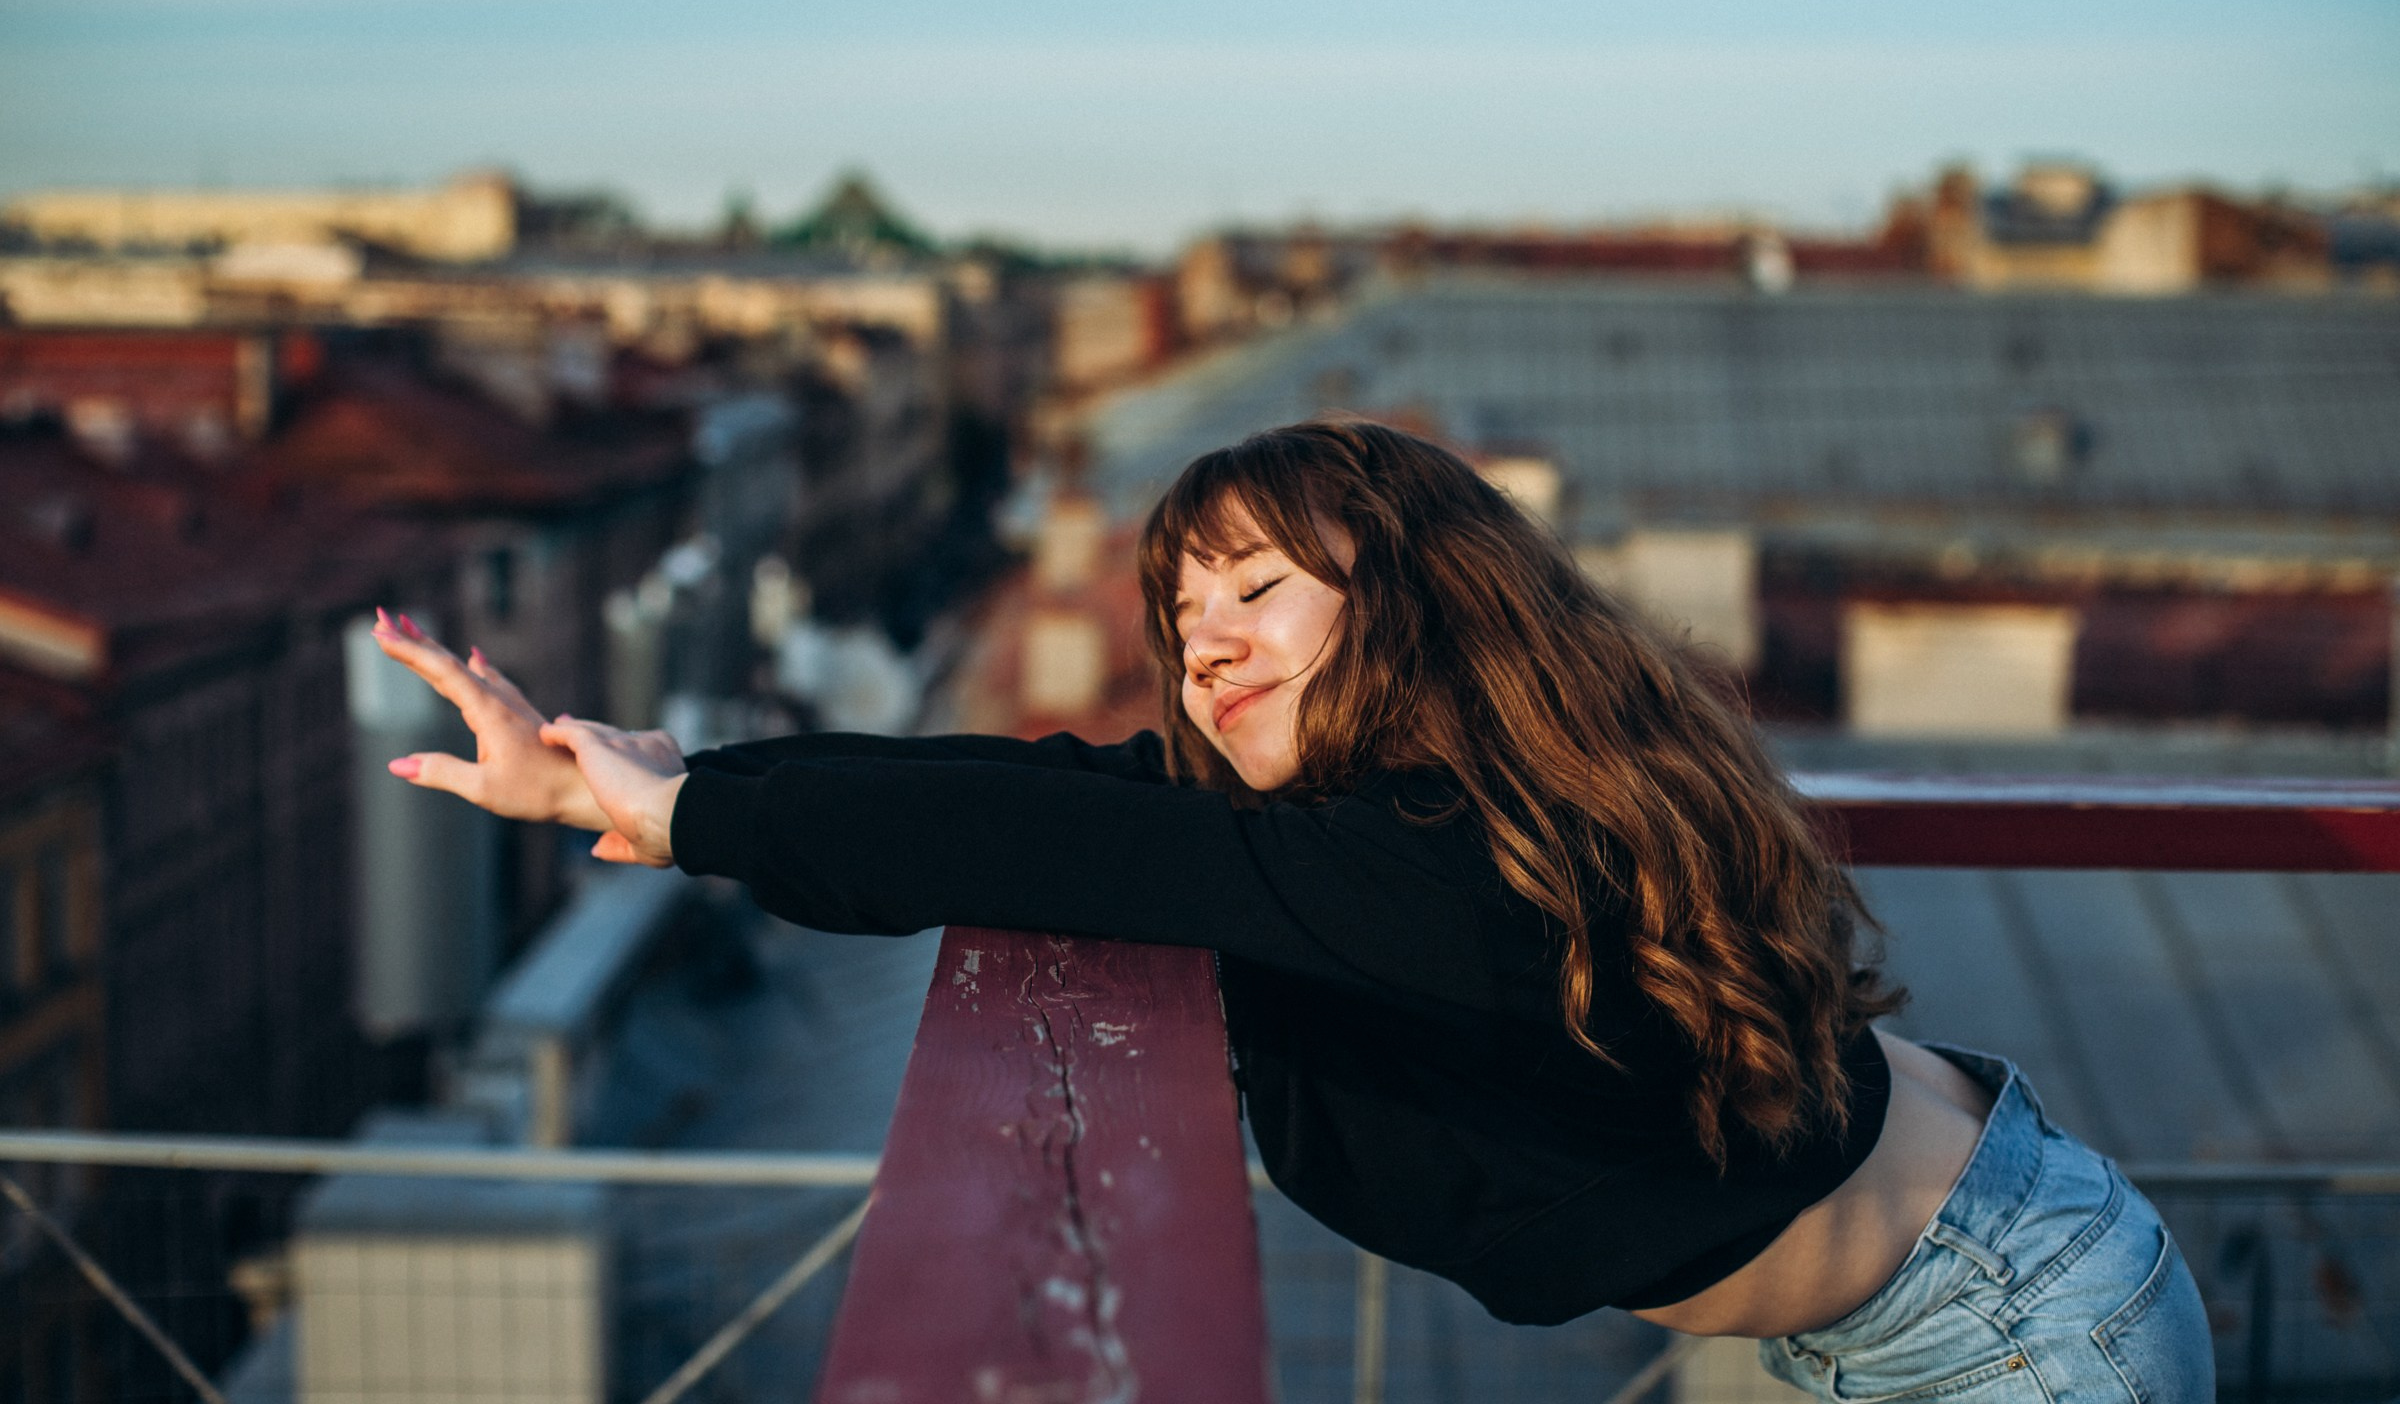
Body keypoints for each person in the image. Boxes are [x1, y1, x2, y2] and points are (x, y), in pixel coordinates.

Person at [373, 419, 2214, 1401]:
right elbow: (1050, 793)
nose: (1203, 638)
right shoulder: (1357, 822)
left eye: (1254, 583)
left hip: (2018, 1331)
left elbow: (1081, 855)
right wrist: (680, 787)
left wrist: (695, 807)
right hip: (1895, 1311)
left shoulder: (1465, 851)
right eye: (1185, 608)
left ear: (1409, 599)